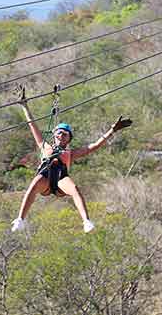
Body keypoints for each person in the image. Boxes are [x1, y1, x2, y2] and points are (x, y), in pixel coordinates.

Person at [12, 91, 132, 233]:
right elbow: (33, 126)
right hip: (45, 178)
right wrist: (25, 106)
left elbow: (93, 146)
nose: (61, 135)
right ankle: (20, 220)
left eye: (65, 134)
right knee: (34, 182)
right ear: (54, 135)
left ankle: (86, 221)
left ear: (69, 139)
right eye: (59, 133)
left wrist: (112, 130)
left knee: (74, 189)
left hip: (60, 180)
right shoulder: (45, 146)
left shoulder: (70, 153)